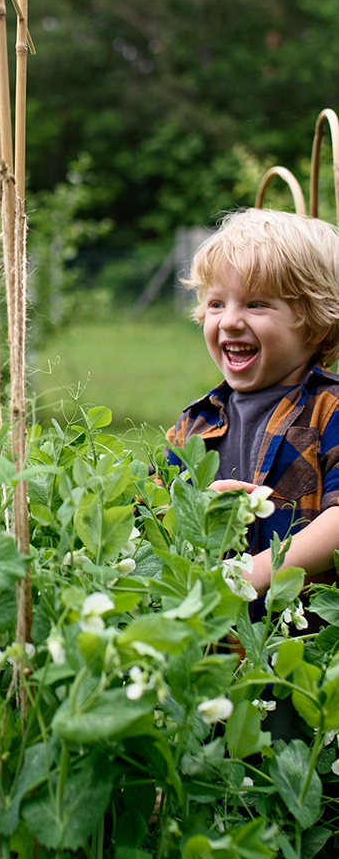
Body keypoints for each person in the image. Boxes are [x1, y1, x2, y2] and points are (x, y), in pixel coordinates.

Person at [167, 207, 339, 598]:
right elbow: (152, 511)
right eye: (216, 304)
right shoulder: (197, 422)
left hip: (300, 641)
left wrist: (258, 571)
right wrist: (198, 506)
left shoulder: (331, 410)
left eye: (256, 304)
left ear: (316, 321)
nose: (229, 321)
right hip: (216, 641)